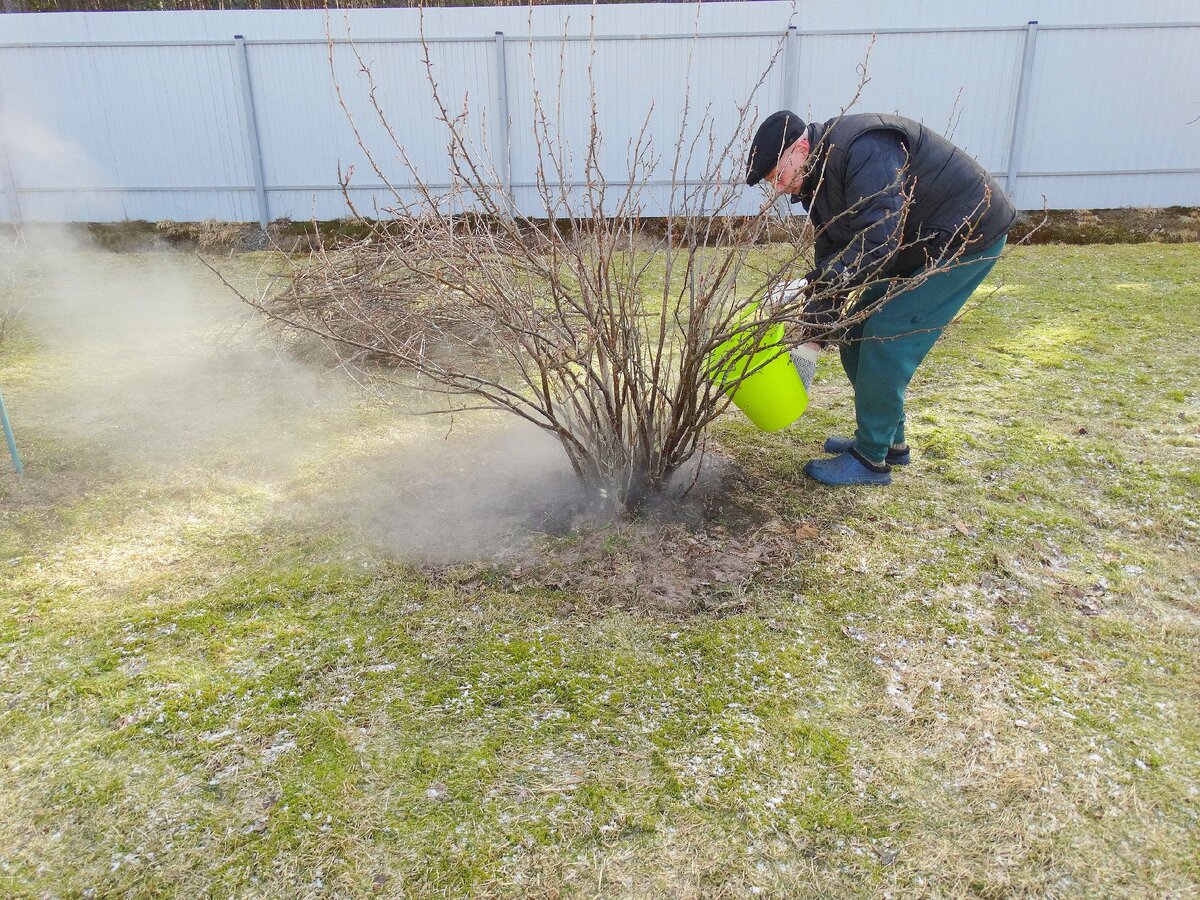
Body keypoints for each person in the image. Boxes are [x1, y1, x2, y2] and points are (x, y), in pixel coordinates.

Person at [747, 110, 1016, 485]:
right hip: (913, 243)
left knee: (885, 336)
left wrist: (804, 282)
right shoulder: (818, 184)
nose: (778, 186)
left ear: (802, 147)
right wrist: (813, 335)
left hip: (963, 236)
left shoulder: (864, 147)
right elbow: (833, 254)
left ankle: (871, 460)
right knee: (855, 334)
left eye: (778, 174)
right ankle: (890, 441)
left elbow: (880, 236)